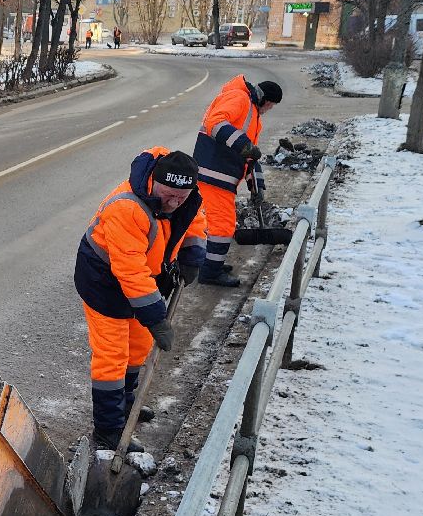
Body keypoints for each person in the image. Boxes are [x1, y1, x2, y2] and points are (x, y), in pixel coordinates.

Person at [74, 147, 207, 453]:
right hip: (104, 280)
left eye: (181, 197)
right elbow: (130, 271)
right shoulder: (127, 208)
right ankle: (108, 431)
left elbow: (194, 219)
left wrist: (192, 255)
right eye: (168, 194)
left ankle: (124, 407)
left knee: (138, 347)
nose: (174, 203)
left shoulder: (186, 195)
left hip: (147, 275)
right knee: (112, 355)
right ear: (154, 183)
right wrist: (157, 318)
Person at [192, 76, 282, 287]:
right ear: (265, 99)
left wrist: (257, 187)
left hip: (220, 175)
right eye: (270, 105)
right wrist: (243, 145)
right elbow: (215, 123)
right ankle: (210, 273)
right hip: (214, 173)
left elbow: (250, 157)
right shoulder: (239, 98)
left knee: (213, 223)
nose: (269, 109)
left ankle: (209, 263)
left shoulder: (253, 113)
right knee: (222, 226)